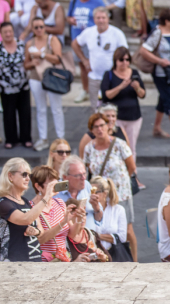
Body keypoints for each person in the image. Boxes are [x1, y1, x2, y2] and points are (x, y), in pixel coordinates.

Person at [83, 112, 138, 261]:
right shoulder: (89, 148)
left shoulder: (119, 144)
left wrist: (118, 184)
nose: (100, 129)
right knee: (104, 225)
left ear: (108, 126)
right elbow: (88, 169)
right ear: (92, 130)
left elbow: (131, 167)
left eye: (102, 125)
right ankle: (106, 255)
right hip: (100, 194)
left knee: (127, 231)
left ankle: (132, 259)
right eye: (96, 127)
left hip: (121, 193)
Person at [140, 9, 170, 144]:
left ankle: (156, 127)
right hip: (161, 73)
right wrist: (159, 61)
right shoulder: (158, 33)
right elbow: (143, 51)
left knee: (163, 99)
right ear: (167, 21)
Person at [0, 158, 53, 262]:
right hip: (13, 262)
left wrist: (36, 231)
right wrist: (46, 197)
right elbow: (25, 219)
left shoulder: (26, 201)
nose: (28, 179)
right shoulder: (3, 204)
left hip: (34, 260)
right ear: (10, 176)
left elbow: (41, 231)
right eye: (24, 174)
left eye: (29, 175)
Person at [72, 7, 128, 111]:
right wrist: (84, 60)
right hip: (94, 78)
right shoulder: (89, 32)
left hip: (112, 77)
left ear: (108, 18)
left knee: (113, 108)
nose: (101, 20)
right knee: (96, 109)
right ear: (94, 19)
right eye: (98, 18)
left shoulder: (117, 33)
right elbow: (75, 44)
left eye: (103, 18)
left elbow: (125, 53)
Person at [0, 22, 32, 149]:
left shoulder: (22, 45)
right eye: (5, 32)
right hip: (6, 87)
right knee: (8, 113)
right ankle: (11, 139)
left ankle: (26, 138)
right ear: (1, 34)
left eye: (10, 31)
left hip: (23, 85)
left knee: (25, 112)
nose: (8, 34)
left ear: (13, 32)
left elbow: (29, 60)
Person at [24, 17, 64, 151]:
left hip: (51, 77)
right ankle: (43, 138)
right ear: (33, 29)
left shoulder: (52, 40)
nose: (39, 29)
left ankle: (60, 138)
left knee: (56, 108)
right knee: (40, 109)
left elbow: (58, 58)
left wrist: (42, 56)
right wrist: (32, 63)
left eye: (41, 26)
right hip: (36, 77)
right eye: (36, 27)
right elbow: (26, 64)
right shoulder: (29, 43)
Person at [101, 47, 146, 159]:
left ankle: (132, 173)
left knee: (131, 147)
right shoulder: (109, 75)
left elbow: (142, 95)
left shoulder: (134, 73)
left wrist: (138, 88)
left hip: (133, 117)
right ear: (115, 61)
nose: (124, 62)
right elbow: (106, 95)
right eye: (121, 60)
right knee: (116, 146)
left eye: (127, 59)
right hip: (116, 118)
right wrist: (121, 86)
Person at [30, 165, 81, 262]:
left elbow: (72, 235)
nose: (55, 185)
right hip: (45, 261)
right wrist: (62, 222)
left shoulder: (59, 202)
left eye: (56, 181)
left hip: (63, 259)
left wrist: (78, 219)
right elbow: (41, 239)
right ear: (38, 186)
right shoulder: (32, 207)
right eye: (50, 184)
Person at [67, 0, 105, 103]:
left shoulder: (98, 2)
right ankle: (85, 89)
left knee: (94, 66)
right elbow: (68, 16)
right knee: (83, 65)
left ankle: (100, 90)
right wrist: (70, 20)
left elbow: (103, 20)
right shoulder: (74, 1)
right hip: (77, 40)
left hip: (92, 40)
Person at [90, 175, 128, 260]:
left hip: (113, 254)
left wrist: (98, 236)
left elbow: (122, 237)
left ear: (104, 194)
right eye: (90, 192)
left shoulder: (118, 210)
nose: (92, 195)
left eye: (95, 192)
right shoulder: (88, 210)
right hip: (93, 255)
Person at [55, 155, 96, 230]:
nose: (83, 178)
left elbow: (100, 217)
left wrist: (97, 207)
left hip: (89, 237)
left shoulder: (87, 185)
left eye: (84, 174)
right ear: (65, 177)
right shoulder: (55, 191)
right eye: (78, 175)